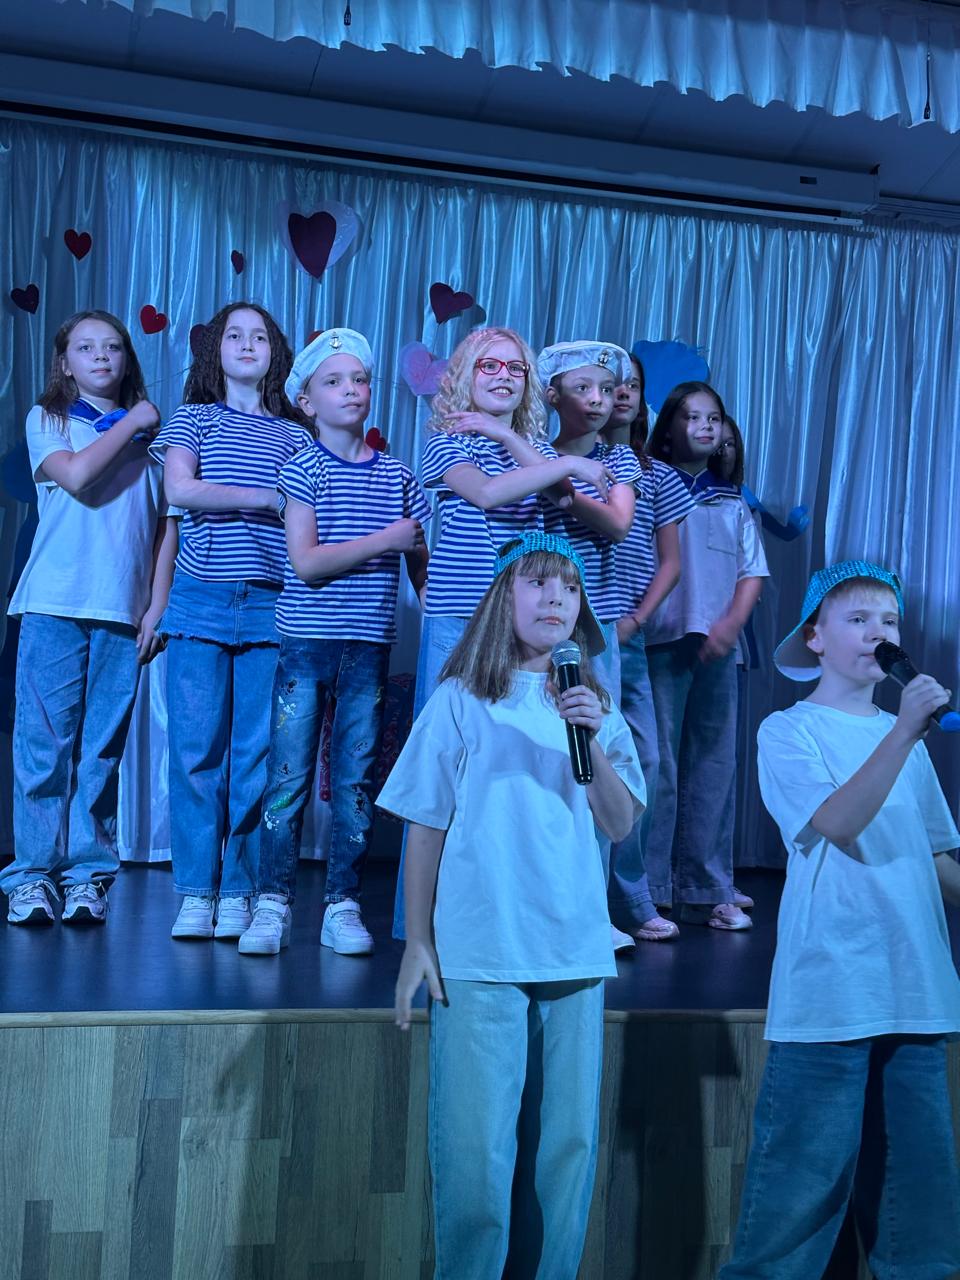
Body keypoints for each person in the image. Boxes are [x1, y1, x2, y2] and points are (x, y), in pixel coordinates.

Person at [380, 531, 644, 1280]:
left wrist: (587, 734)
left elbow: (619, 824)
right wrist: (418, 940)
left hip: (574, 951)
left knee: (566, 1151)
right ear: (504, 597)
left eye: (569, 586)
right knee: (476, 1153)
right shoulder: (461, 699)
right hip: (481, 950)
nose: (556, 596)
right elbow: (425, 823)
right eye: (537, 582)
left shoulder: (596, 710)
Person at [720, 560, 960, 1279]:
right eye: (857, 619)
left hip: (915, 988)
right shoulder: (788, 731)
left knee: (919, 1205)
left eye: (889, 620)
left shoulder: (903, 739)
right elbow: (837, 821)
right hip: (831, 992)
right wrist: (906, 731)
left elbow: (936, 859)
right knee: (797, 1193)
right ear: (815, 638)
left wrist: (904, 732)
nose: (878, 632)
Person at [392, 325, 615, 938]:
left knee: (506, 768)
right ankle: (420, 924)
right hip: (461, 621)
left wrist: (511, 437)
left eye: (515, 369)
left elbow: (561, 493)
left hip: (518, 628)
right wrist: (560, 458)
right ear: (465, 377)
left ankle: (495, 910)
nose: (503, 376)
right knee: (442, 769)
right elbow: (488, 495)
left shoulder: (528, 446)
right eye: (488, 365)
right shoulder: (446, 441)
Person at [237, 329, 430, 957]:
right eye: (334, 381)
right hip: (307, 644)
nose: (351, 390)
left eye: (360, 380)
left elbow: (423, 567)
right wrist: (387, 540)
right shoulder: (303, 469)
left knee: (354, 781)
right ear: (307, 402)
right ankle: (273, 900)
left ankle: (342, 902)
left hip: (368, 647)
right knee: (287, 776)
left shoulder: (398, 475)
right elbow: (307, 563)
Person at [3, 309, 175, 924]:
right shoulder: (50, 419)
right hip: (54, 602)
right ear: (66, 363)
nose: (101, 356)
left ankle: (87, 876)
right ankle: (32, 876)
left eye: (112, 347)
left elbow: (165, 530)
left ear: (127, 359)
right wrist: (132, 422)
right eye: (86, 347)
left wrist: (157, 607)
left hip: (121, 611)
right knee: (43, 746)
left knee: (101, 751)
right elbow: (76, 477)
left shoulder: (155, 445)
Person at [151, 302, 313, 940]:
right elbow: (180, 490)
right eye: (235, 335)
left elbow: (312, 516)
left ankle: (240, 889)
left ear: (276, 353)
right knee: (195, 754)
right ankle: (196, 891)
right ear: (215, 350)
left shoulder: (296, 435)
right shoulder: (193, 419)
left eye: (260, 337)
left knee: (255, 757)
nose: (247, 345)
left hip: (273, 603)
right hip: (200, 598)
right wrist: (269, 497)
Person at [643, 382, 769, 931]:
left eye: (713, 418)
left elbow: (751, 574)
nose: (704, 426)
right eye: (692, 416)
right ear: (669, 427)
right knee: (658, 766)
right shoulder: (649, 484)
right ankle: (651, 889)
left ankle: (708, 885)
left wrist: (729, 626)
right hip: (661, 641)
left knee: (715, 764)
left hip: (718, 649)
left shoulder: (731, 501)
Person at [604, 353, 694, 941]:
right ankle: (585, 899)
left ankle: (631, 893)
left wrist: (636, 618)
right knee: (579, 762)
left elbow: (671, 563)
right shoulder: (564, 463)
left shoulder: (657, 476)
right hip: (568, 634)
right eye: (609, 385)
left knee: (645, 762)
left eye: (632, 385)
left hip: (626, 636)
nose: (621, 394)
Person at [538, 340, 641, 701]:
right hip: (541, 609)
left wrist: (562, 494)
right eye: (583, 388)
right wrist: (555, 473)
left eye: (607, 389)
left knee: (599, 710)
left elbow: (618, 524)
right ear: (553, 396)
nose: (598, 399)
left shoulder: (619, 458)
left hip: (598, 610)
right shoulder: (537, 455)